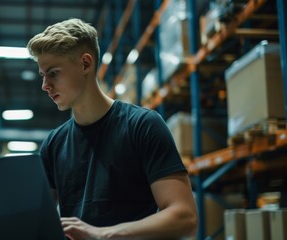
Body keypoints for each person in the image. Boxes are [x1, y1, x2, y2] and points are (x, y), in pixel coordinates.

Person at [27, 18, 198, 240]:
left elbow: (185, 217)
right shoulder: (54, 144)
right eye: (43, 75)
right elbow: (39, 223)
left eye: (54, 73)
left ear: (85, 64)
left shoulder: (142, 126)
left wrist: (102, 235)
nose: (45, 85)